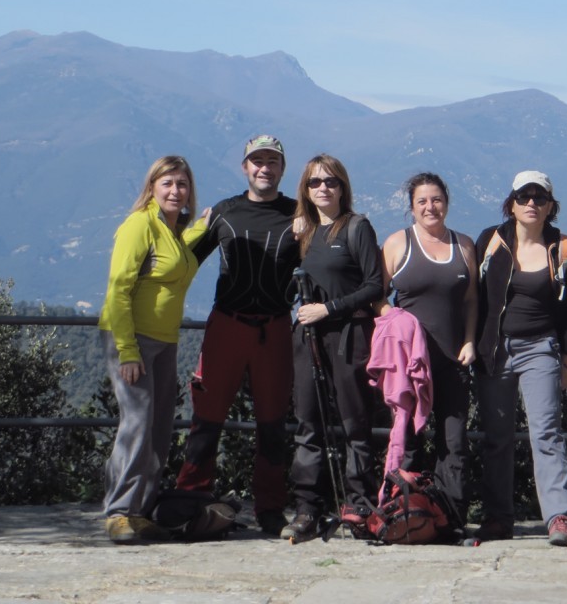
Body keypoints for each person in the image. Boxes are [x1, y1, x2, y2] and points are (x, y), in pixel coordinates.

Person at [174, 135, 300, 536]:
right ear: (244, 167)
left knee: (273, 424)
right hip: (227, 325)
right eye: (257, 161)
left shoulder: (299, 216)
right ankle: (192, 497)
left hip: (275, 327)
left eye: (272, 161)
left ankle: (270, 510)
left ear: (283, 168)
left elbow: (330, 257)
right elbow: (183, 261)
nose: (265, 167)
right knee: (206, 419)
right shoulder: (224, 213)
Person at [473, 171, 567, 547]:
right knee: (497, 438)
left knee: (547, 434)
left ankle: (559, 517)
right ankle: (497, 518)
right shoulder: (491, 241)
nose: (531, 204)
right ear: (512, 203)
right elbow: (472, 297)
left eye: (540, 198)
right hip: (496, 351)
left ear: (551, 206)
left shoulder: (564, 248)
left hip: (541, 348)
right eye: (524, 196)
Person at [99, 155, 205, 544]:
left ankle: (140, 510)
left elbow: (176, 259)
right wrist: (127, 350)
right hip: (133, 339)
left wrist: (204, 226)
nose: (176, 191)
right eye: (168, 184)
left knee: (160, 428)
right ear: (152, 188)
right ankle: (118, 512)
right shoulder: (139, 224)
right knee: (137, 424)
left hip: (165, 340)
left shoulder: (172, 231)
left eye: (182, 184)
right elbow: (118, 289)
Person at [282, 154, 384, 543]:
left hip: (349, 337)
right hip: (308, 339)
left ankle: (359, 506)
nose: (323, 188)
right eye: (314, 182)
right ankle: (308, 508)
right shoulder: (303, 234)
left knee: (354, 424)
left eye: (331, 182)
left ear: (343, 187)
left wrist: (329, 307)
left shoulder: (356, 228)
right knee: (309, 423)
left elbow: (375, 286)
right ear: (305, 189)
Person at [379, 172, 478, 522]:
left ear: (447, 204)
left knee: (454, 441)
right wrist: (396, 322)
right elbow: (378, 297)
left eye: (436, 199)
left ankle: (450, 515)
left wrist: (469, 340)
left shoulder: (464, 246)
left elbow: (471, 300)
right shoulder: (397, 244)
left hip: (452, 361)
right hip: (409, 365)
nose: (430, 207)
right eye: (422, 201)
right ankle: (404, 513)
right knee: (409, 438)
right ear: (411, 208)